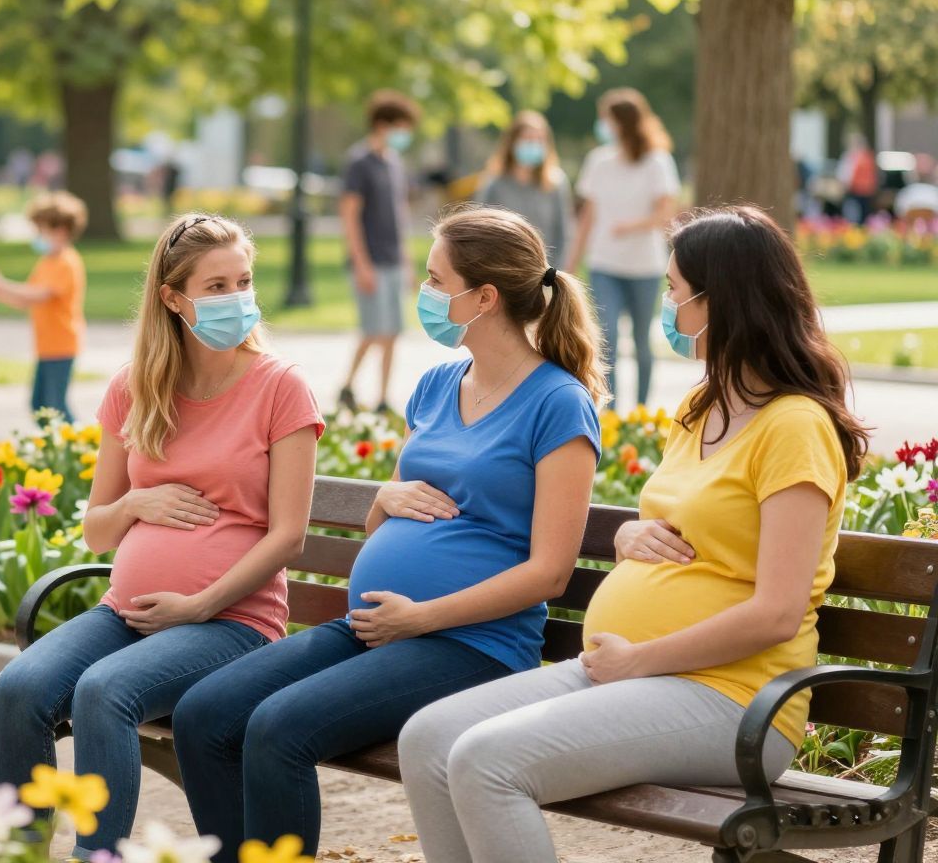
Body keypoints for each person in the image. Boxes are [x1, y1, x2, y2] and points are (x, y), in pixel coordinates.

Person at [399, 204, 867, 863]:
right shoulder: (700, 408)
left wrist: (638, 660)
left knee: (486, 761)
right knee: (428, 737)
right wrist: (629, 541)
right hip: (627, 673)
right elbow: (682, 521)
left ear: (720, 303)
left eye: (675, 291)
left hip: (732, 698)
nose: (666, 305)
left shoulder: (794, 427)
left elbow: (777, 612)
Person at [172, 207, 605, 862]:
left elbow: (548, 572)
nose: (423, 293)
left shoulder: (558, 403)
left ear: (484, 298)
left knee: (278, 729)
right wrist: (388, 497)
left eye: (436, 279)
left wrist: (422, 617)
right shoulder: (437, 385)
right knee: (203, 714)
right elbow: (386, 517)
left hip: (472, 645)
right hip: (379, 627)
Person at [0, 214, 323, 858]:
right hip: (130, 613)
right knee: (20, 690)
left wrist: (198, 605)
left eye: (244, 281)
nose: (237, 298)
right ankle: (22, 849)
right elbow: (94, 530)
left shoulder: (281, 386)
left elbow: (288, 537)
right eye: (216, 285)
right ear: (173, 297)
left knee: (104, 691)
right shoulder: (136, 388)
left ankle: (99, 855)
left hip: (234, 621)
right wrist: (137, 501)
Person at [566, 87, 680, 410]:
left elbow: (665, 213)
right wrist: (572, 262)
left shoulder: (658, 162)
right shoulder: (598, 161)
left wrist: (629, 226)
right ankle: (610, 410)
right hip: (605, 265)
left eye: (606, 118)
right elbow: (586, 216)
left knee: (642, 342)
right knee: (608, 338)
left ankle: (642, 410)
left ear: (623, 122)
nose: (602, 125)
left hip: (645, 267)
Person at [0, 192, 89, 421]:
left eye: (41, 230)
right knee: (39, 405)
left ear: (60, 230)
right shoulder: (46, 262)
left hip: (62, 344)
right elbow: (24, 299)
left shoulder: (66, 262)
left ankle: (80, 447)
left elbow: (38, 295)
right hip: (46, 346)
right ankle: (55, 450)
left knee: (55, 407)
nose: (38, 236)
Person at [338, 90, 420, 416]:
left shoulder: (394, 162)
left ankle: (383, 397)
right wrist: (361, 264)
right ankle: (348, 385)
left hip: (393, 259)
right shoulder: (359, 162)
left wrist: (408, 261)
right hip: (369, 260)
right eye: (400, 126)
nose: (405, 134)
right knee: (374, 330)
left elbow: (399, 215)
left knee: (392, 332)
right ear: (382, 124)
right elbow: (349, 214)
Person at [476, 110, 573, 263]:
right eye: (528, 139)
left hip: (542, 271)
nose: (534, 145)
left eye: (539, 140)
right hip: (502, 268)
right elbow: (481, 230)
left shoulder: (556, 182)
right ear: (513, 142)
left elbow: (563, 233)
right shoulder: (494, 183)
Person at [838, 134, 879, 224]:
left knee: (854, 218)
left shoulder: (850, 157)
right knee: (863, 217)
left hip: (855, 191)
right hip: (866, 192)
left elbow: (845, 176)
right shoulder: (869, 157)